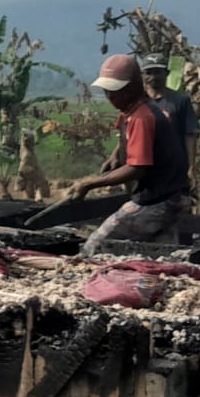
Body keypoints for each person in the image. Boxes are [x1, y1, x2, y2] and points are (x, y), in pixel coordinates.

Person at [68, 55, 191, 256]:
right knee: (161, 254)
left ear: (132, 87)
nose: (110, 96)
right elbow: (125, 136)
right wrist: (116, 156)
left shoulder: (142, 117)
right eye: (107, 91)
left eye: (115, 91)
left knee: (94, 246)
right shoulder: (131, 110)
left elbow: (137, 167)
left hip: (158, 200)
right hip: (171, 195)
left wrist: (89, 183)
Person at [139, 53, 200, 181]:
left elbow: (190, 134)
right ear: (142, 75)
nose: (153, 77)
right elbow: (126, 132)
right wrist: (115, 155)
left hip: (174, 168)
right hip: (143, 166)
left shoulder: (180, 101)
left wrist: (191, 166)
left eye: (157, 72)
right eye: (148, 72)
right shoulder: (138, 102)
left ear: (166, 73)